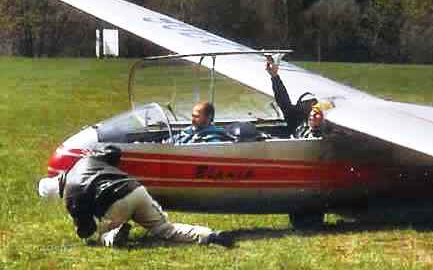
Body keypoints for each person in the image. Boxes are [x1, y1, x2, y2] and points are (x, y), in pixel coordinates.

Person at [38, 145, 234, 248]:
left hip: (116, 204)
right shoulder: (84, 161)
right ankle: (210, 235)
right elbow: (113, 153)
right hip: (136, 189)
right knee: (165, 228)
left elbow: (86, 230)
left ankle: (113, 235)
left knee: (98, 236)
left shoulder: (71, 197)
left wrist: (83, 230)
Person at [265, 56, 320, 137]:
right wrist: (274, 76)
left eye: (312, 103)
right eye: (305, 103)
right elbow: (282, 98)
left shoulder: (322, 122)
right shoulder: (294, 118)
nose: (310, 106)